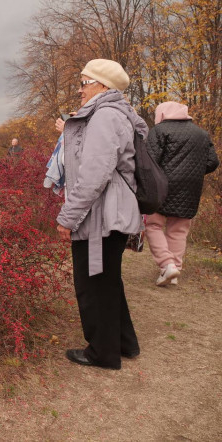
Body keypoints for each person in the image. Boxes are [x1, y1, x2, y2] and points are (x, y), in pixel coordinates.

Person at [56, 59, 146, 370]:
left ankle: (102, 353)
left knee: (93, 283)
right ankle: (123, 343)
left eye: (84, 82)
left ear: (102, 86)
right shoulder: (113, 114)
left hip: (102, 217)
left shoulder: (105, 116)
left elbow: (94, 175)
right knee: (107, 281)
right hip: (110, 214)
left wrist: (68, 217)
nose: (79, 89)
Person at [144, 101, 219, 286]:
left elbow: (150, 161)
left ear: (162, 114)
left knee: (153, 224)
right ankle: (174, 270)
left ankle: (167, 264)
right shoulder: (201, 133)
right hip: (190, 187)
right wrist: (191, 173)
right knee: (179, 229)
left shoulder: (160, 130)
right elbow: (213, 161)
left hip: (162, 185)